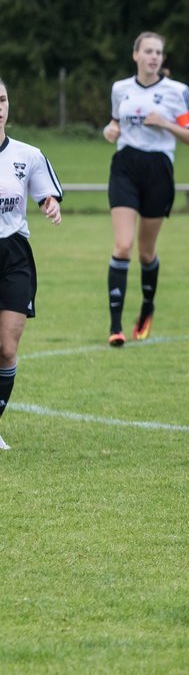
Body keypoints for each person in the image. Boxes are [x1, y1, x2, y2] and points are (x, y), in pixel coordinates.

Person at [102, 31, 189, 347]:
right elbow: (114, 124)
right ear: (136, 55)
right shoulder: (120, 89)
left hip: (158, 170)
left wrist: (165, 123)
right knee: (123, 246)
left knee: (145, 252)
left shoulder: (177, 91)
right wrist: (110, 131)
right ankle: (115, 327)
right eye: (149, 51)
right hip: (125, 167)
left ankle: (146, 308)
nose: (154, 57)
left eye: (159, 52)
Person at [0, 77, 64, 450]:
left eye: (3, 99)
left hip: (15, 254)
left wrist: (49, 204)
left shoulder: (28, 154)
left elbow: (45, 195)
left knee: (7, 347)